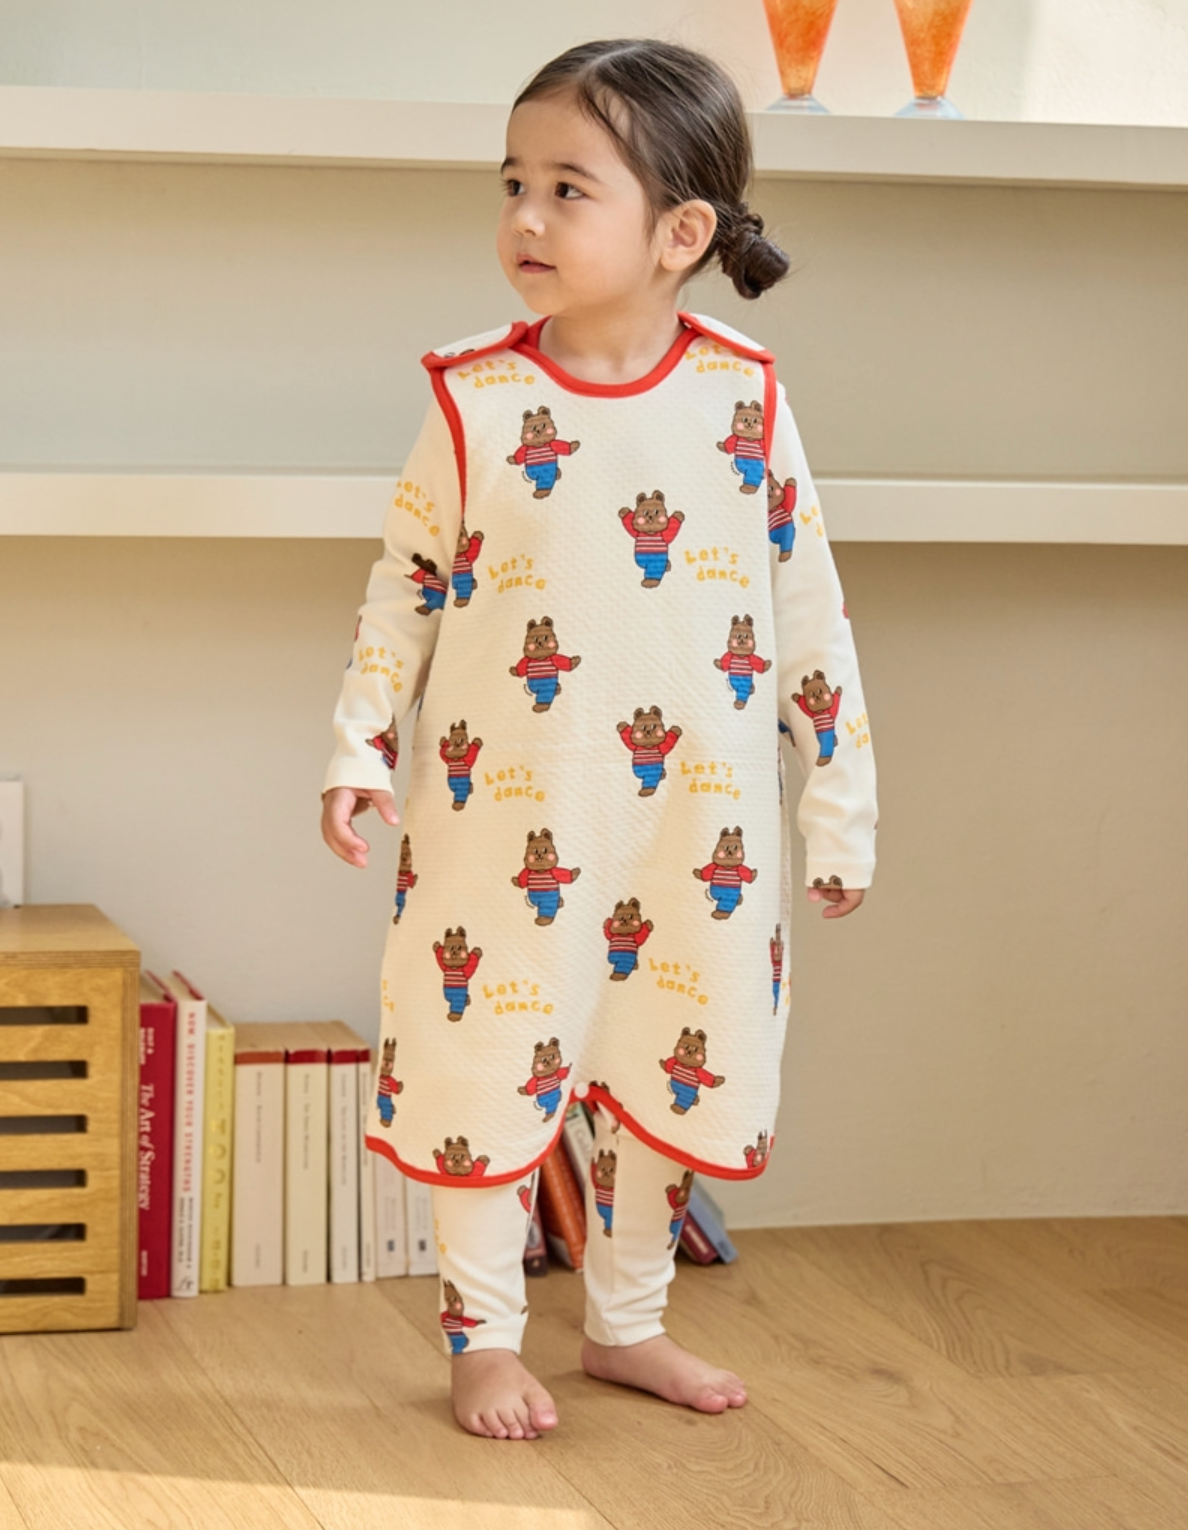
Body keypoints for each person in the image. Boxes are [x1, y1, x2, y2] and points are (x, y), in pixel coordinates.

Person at [321, 37, 877, 1441]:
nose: (525, 215)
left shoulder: (746, 398)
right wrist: (359, 743)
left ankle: (629, 1322)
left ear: (680, 233)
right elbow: (405, 585)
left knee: (665, 1057)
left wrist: (840, 806)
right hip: (499, 820)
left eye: (569, 188)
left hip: (700, 825)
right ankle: (481, 1338)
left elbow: (808, 612)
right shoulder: (474, 398)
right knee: (482, 1062)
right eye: (513, 181)